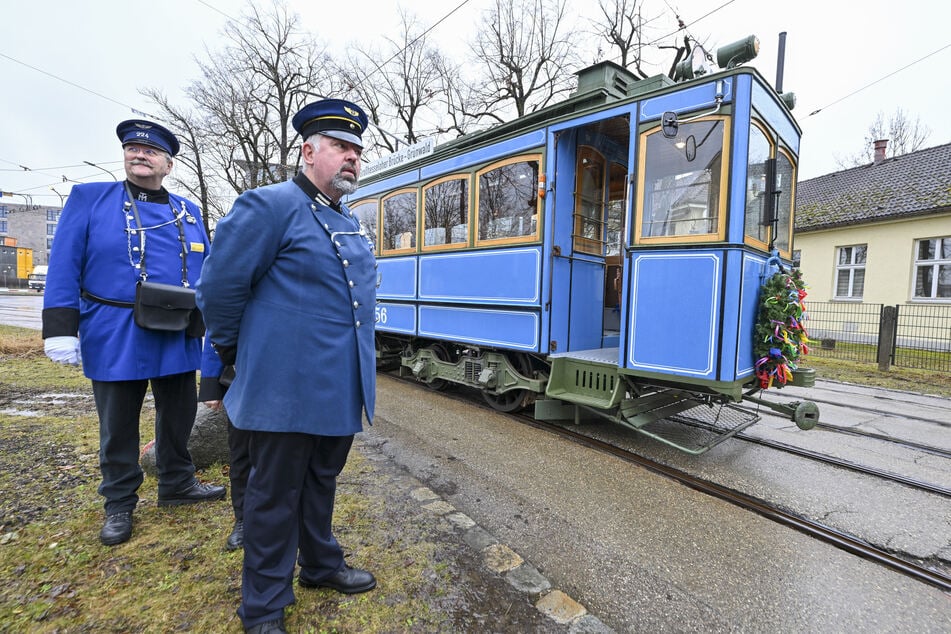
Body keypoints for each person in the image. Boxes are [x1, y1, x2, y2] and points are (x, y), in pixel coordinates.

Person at [196, 98, 377, 634]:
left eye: (356, 150)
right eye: (340, 146)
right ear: (308, 152)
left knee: (321, 482)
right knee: (274, 497)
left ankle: (319, 564)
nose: (352, 157)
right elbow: (219, 290)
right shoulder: (269, 206)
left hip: (340, 385)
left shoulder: (346, 220)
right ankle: (264, 605)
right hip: (283, 385)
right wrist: (239, 353)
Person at [42, 119, 226, 547]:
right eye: (133, 148)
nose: (140, 154)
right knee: (118, 424)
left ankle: (177, 483)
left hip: (178, 328)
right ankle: (120, 502)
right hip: (115, 328)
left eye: (151, 150)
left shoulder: (187, 210)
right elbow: (64, 263)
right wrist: (61, 327)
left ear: (168, 164)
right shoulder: (90, 198)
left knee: (179, 415)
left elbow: (208, 271)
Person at [198, 340, 248, 551]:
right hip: (245, 375)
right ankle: (245, 518)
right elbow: (218, 326)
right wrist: (211, 381)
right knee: (243, 452)